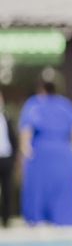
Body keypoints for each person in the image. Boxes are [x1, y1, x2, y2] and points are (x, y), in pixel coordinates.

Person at [19, 80, 72, 226]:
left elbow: (26, 131)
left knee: (39, 189)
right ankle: (66, 218)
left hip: (41, 153)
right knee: (63, 189)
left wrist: (26, 152)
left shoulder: (34, 104)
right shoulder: (66, 105)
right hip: (63, 152)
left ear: (41, 90)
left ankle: (38, 219)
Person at [0, 91, 18, 228]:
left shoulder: (7, 119)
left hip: (6, 159)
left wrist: (14, 158)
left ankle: (6, 219)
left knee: (7, 189)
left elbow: (14, 140)